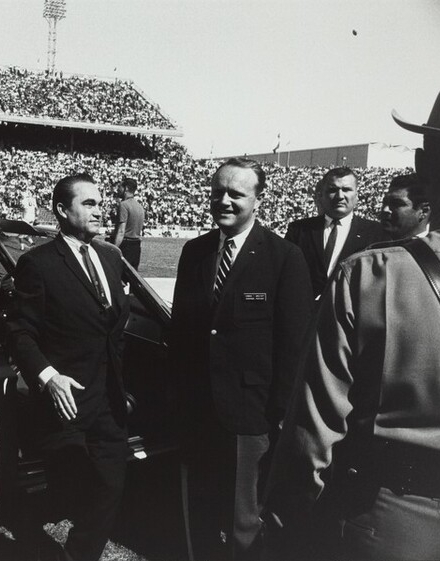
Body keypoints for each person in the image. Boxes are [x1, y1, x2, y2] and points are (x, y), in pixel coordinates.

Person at [262, 78, 440, 561]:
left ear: (423, 168)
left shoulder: (375, 272)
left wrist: (287, 516)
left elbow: (313, 433)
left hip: (399, 519)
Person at [169, 158, 313, 560]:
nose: (225, 201)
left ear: (258, 199)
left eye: (236, 194)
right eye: (218, 192)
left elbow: (293, 345)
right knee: (197, 510)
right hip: (197, 411)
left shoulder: (284, 257)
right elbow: (181, 333)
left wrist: (280, 413)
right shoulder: (195, 252)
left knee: (242, 520)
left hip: (250, 415)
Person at [8, 173, 130, 561]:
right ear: (62, 210)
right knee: (72, 488)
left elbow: (113, 328)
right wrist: (49, 377)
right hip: (67, 403)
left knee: (112, 485)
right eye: (89, 203)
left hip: (109, 399)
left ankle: (78, 554)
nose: (100, 210)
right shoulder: (37, 263)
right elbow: (19, 333)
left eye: (101, 201)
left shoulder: (110, 256)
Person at [285, 167, 384, 300]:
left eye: (346, 189)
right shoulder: (299, 229)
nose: (339, 196)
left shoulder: (375, 233)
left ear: (357, 195)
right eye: (332, 190)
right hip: (305, 313)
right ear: (322, 195)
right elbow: (287, 276)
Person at [378, 173, 431, 241]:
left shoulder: (434, 249)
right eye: (384, 203)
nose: (385, 209)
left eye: (396, 204)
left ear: (424, 211)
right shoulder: (368, 242)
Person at [111, 177, 146, 270]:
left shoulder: (124, 205)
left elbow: (121, 231)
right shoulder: (139, 207)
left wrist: (113, 249)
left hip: (126, 246)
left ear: (125, 188)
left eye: (120, 187)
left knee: (118, 276)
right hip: (136, 246)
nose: (118, 189)